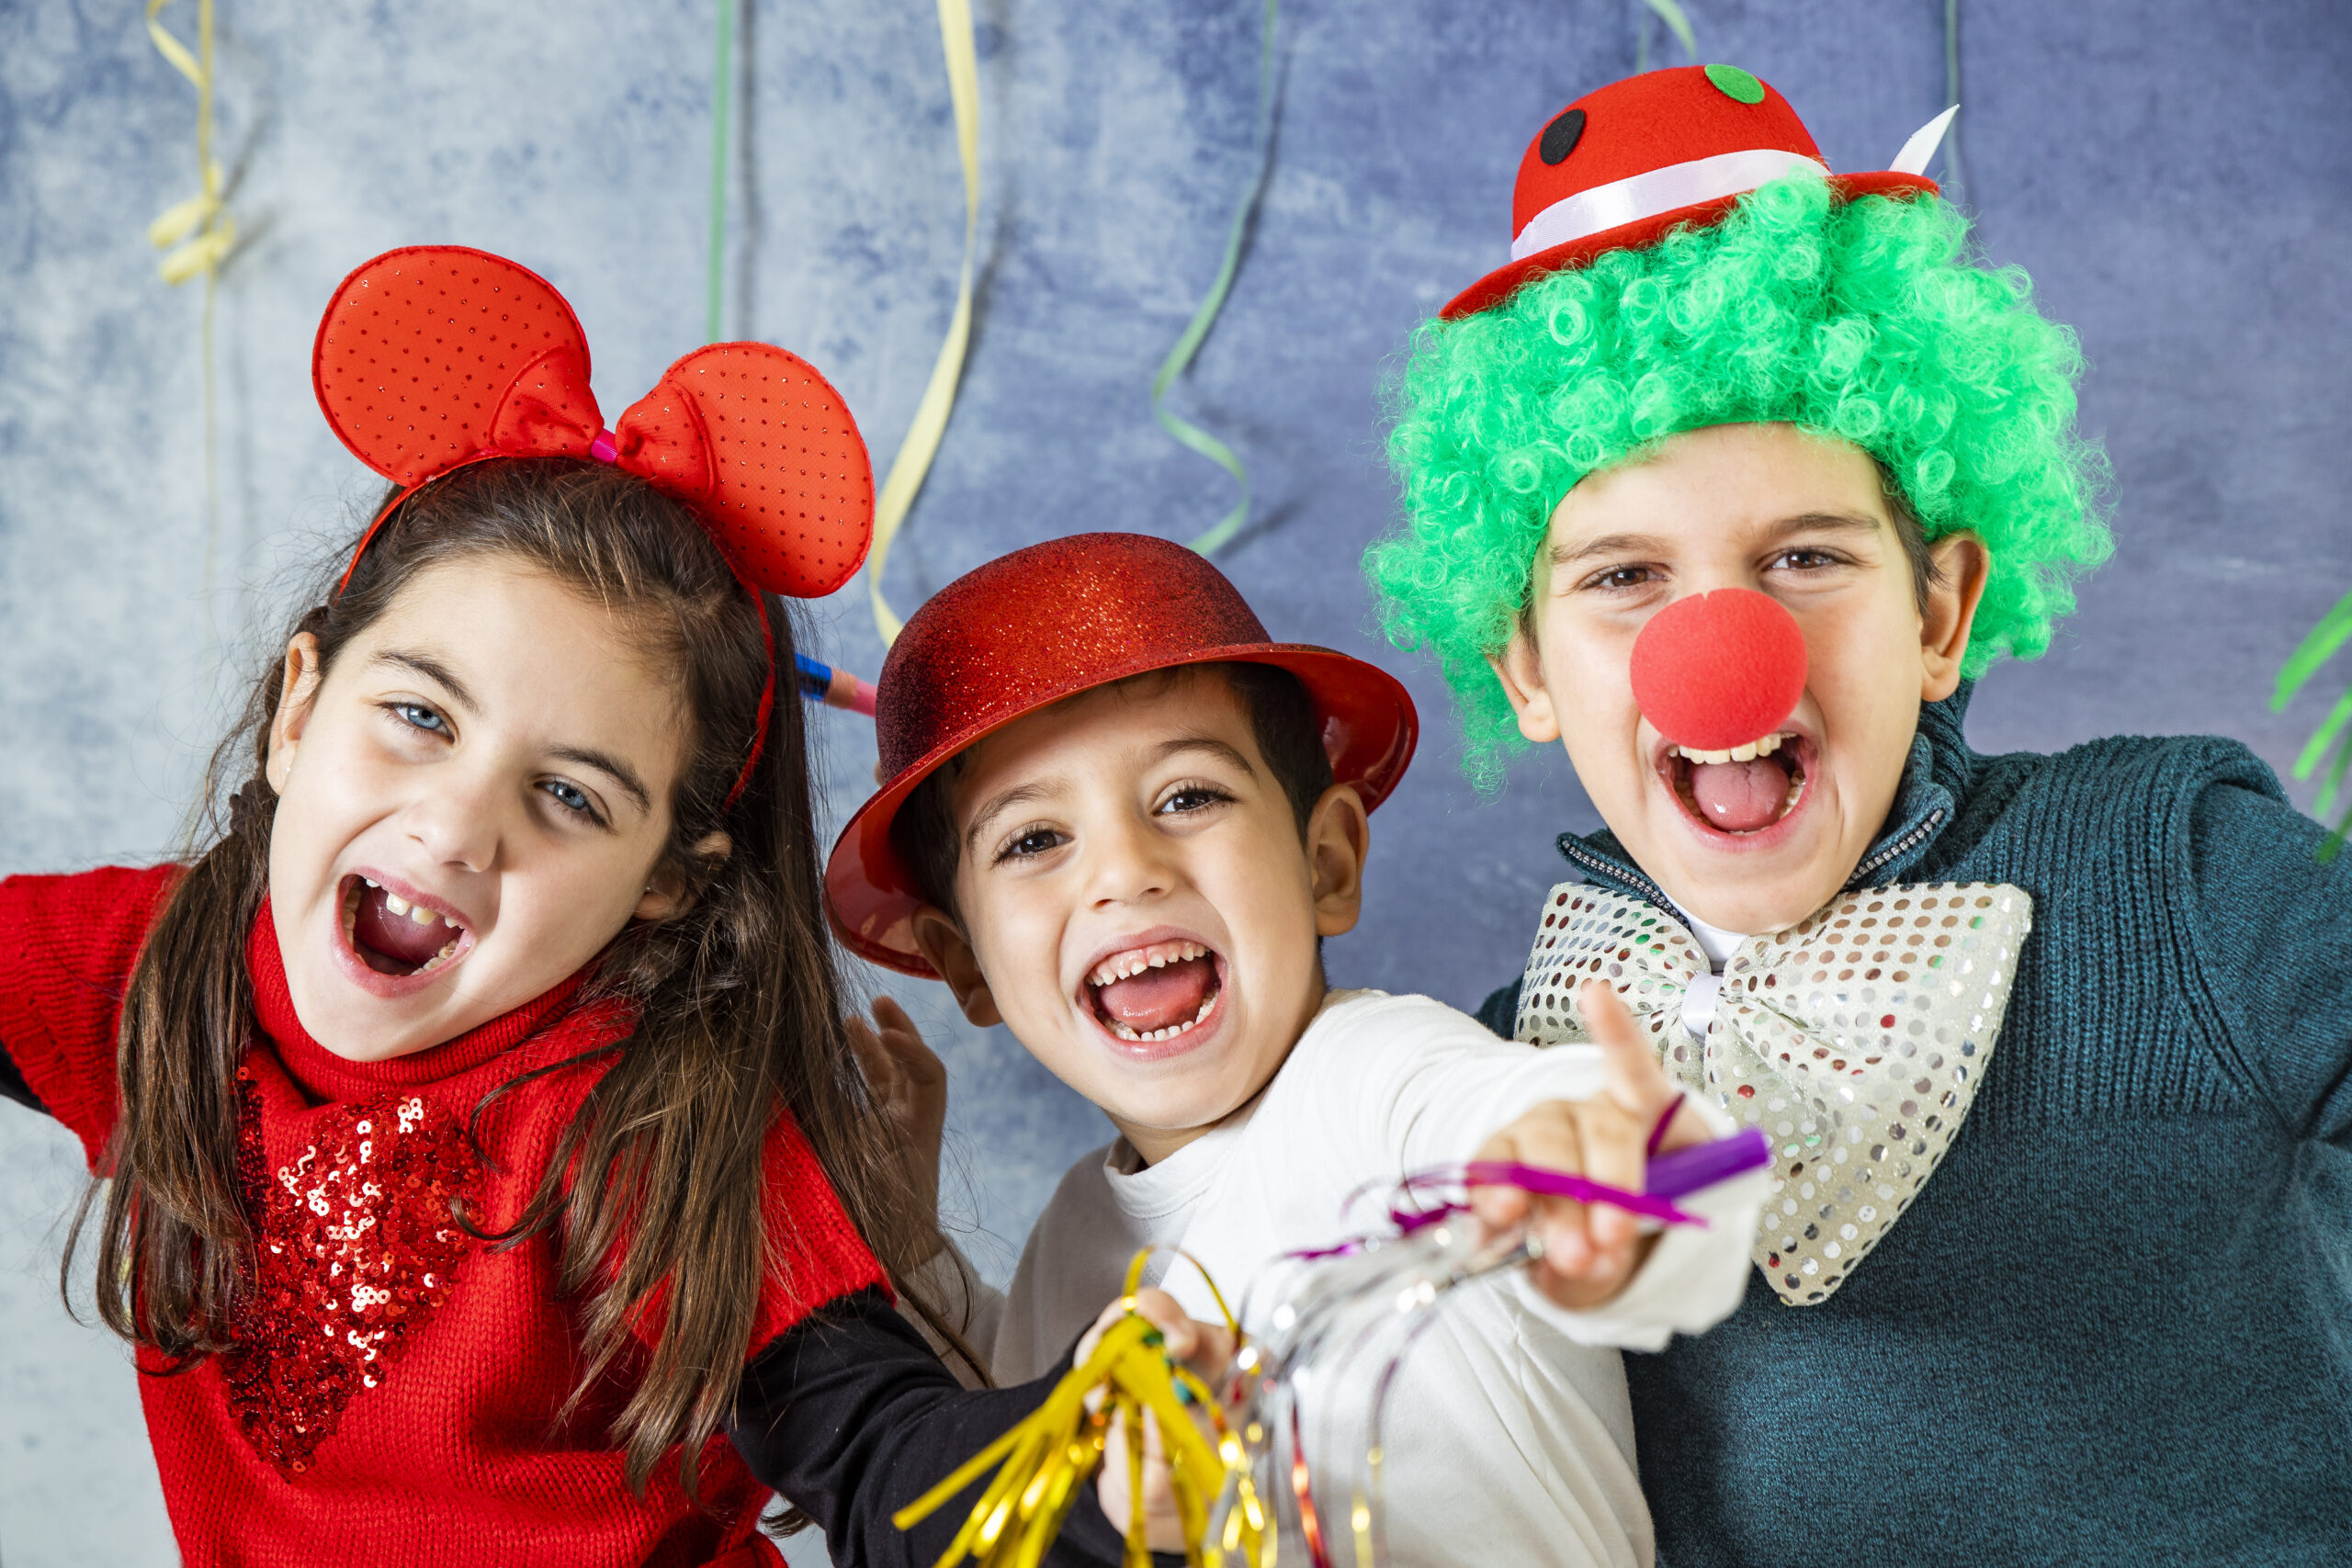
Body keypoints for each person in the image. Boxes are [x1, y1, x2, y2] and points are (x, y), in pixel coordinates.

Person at [0, 245, 1216, 1568]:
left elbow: (881, 1451)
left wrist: (1082, 1468)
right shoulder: (165, 964)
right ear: (300, 708)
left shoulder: (661, 1127)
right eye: (417, 715)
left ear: (667, 880)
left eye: (570, 795)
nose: (456, 824)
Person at [1368, 64, 2352, 1562]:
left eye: (1806, 558)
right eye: (1625, 579)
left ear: (1941, 611)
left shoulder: (2179, 867)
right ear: (1525, 667)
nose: (1722, 653)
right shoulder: (1516, 1061)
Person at [824, 530, 1768, 1567]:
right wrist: (907, 1250)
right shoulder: (1071, 1239)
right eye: (1034, 840)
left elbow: (1518, 1120)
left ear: (1324, 864)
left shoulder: (1375, 1077)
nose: (1125, 871)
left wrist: (1607, 1160)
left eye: (1188, 798)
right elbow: (1001, 1465)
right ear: (966, 969)